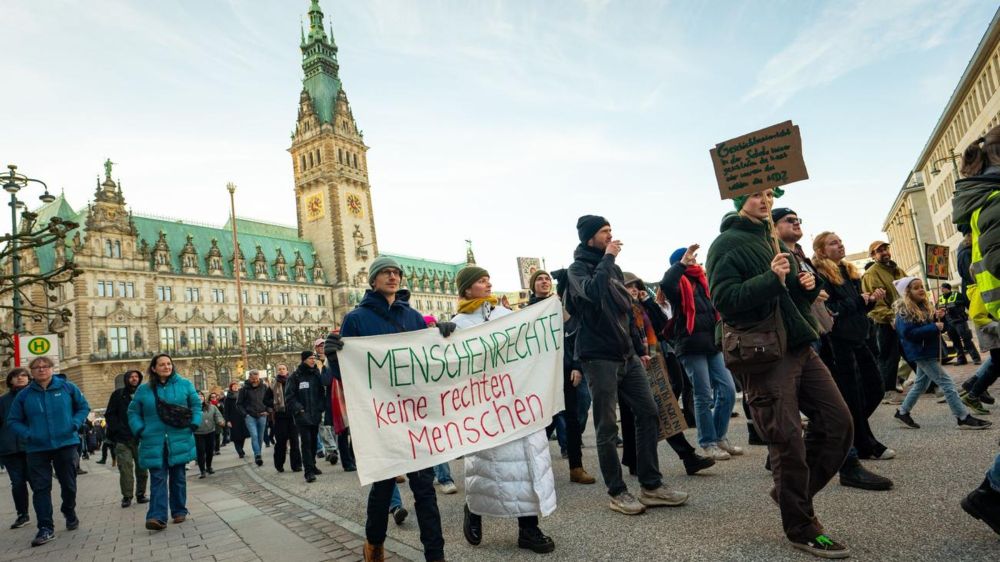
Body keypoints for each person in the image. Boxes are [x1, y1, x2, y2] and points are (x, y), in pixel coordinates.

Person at [706, 190, 854, 558]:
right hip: (764, 353)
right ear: (739, 200)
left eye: (769, 194)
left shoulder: (772, 240)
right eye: (756, 195)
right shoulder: (725, 243)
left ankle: (790, 496)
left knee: (839, 424)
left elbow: (790, 297)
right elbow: (724, 299)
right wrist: (772, 279)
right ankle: (801, 526)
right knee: (786, 441)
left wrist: (806, 288)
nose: (765, 200)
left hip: (800, 344)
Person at [325, 254, 446, 562]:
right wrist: (335, 358)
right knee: (382, 488)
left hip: (414, 413)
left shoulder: (413, 317)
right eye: (386, 273)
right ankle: (374, 543)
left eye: (396, 273)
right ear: (373, 280)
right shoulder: (356, 319)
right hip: (382, 417)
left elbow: (430, 362)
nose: (393, 277)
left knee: (424, 489)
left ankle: (436, 555)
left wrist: (444, 338)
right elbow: (348, 375)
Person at [567, 215, 688, 516]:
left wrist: (637, 347)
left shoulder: (615, 269)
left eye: (611, 230)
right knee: (607, 426)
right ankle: (617, 491)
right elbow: (593, 295)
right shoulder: (577, 269)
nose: (610, 236)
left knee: (649, 413)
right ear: (589, 237)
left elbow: (625, 310)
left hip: (627, 356)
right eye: (604, 232)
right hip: (598, 357)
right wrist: (607, 259)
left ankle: (651, 485)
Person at [448, 266, 557, 553]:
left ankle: (529, 528)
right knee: (488, 466)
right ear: (467, 288)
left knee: (527, 465)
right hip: (485, 404)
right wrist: (442, 338)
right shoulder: (458, 323)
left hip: (518, 399)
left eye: (488, 280)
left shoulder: (505, 315)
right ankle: (474, 508)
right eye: (481, 281)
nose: (488, 284)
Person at [811, 232, 895, 491]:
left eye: (840, 240)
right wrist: (860, 300)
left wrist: (869, 301)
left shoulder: (849, 271)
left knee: (875, 387)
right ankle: (863, 442)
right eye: (833, 243)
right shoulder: (821, 275)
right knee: (852, 396)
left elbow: (855, 306)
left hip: (859, 337)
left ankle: (852, 435)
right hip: (839, 342)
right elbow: (831, 310)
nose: (840, 244)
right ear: (822, 250)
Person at [622, 271, 715, 476]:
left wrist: (649, 303)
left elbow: (663, 325)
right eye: (629, 286)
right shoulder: (622, 310)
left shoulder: (642, 308)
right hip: (633, 364)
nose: (635, 289)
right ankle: (687, 457)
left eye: (637, 285)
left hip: (654, 360)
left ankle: (636, 460)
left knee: (656, 408)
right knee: (657, 409)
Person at [661, 245, 740, 460]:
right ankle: (708, 442)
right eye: (689, 257)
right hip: (690, 345)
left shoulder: (703, 282)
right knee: (703, 395)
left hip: (712, 344)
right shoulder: (677, 285)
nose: (694, 259)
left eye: (694, 256)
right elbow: (666, 283)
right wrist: (681, 264)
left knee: (728, 390)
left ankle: (719, 436)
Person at [6, 356, 89, 547]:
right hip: (37, 448)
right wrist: (29, 434)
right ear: (32, 372)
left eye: (45, 366)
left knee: (68, 484)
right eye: (37, 368)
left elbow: (83, 407)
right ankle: (45, 527)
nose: (41, 370)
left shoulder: (67, 388)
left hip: (66, 444)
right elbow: (13, 421)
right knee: (41, 488)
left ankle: (69, 510)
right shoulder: (25, 395)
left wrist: (75, 424)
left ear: (52, 369)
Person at [891, 277, 992, 430]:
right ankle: (962, 416)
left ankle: (903, 412)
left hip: (927, 351)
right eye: (916, 287)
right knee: (947, 383)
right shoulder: (904, 311)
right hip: (921, 353)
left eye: (921, 286)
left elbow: (938, 329)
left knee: (920, 384)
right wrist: (933, 327)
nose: (921, 290)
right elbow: (908, 334)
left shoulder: (923, 307)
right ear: (907, 293)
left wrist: (939, 319)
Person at [528, 270, 597, 484]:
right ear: (532, 286)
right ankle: (532, 465)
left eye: (547, 278)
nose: (544, 281)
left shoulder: (558, 306)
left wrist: (576, 365)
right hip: (540, 374)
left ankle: (576, 467)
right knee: (542, 422)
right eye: (539, 279)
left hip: (564, 370)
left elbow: (573, 333)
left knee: (573, 420)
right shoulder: (526, 312)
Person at [128, 353, 201, 531]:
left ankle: (179, 510)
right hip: (154, 440)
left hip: (179, 437)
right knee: (158, 478)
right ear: (154, 368)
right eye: (162, 364)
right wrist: (140, 429)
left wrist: (194, 424)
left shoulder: (185, 384)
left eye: (169, 364)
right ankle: (157, 517)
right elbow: (133, 412)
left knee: (178, 477)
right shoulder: (144, 390)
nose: (166, 367)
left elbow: (196, 405)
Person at [861, 240, 908, 403]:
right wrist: (891, 317)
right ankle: (886, 390)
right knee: (888, 355)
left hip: (903, 318)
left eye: (885, 249)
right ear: (873, 256)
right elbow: (875, 302)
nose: (884, 252)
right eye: (879, 251)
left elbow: (908, 290)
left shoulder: (898, 270)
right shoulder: (871, 274)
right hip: (884, 322)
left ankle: (930, 384)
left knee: (910, 351)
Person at [104, 369, 148, 508]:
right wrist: (117, 430)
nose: (134, 379)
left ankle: (141, 494)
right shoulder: (118, 394)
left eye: (136, 377)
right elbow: (110, 414)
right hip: (123, 439)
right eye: (131, 377)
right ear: (126, 379)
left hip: (141, 438)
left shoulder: (144, 393)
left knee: (142, 468)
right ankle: (127, 496)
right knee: (125, 469)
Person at [285, 352, 325, 483]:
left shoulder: (316, 374)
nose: (313, 360)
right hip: (302, 416)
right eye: (310, 358)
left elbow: (321, 392)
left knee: (314, 442)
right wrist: (299, 409)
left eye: (314, 358)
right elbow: (290, 397)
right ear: (304, 360)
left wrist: (320, 407)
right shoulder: (295, 376)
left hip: (315, 414)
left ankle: (312, 464)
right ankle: (308, 471)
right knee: (306, 442)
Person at [0, 368, 31, 530]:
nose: (20, 378)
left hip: (32, 446)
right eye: (16, 376)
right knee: (17, 483)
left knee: (37, 482)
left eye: (24, 375)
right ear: (10, 380)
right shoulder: (3, 401)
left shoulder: (35, 395)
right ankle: (22, 514)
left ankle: (44, 513)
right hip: (10, 448)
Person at [266, 364, 302, 473]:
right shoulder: (273, 384)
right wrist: (274, 404)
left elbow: (299, 396)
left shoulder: (293, 382)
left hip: (292, 416)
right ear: (277, 371)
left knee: (294, 441)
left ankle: (296, 465)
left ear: (287, 371)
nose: (281, 371)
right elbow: (265, 400)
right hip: (280, 417)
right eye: (279, 369)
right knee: (281, 442)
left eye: (283, 369)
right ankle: (279, 464)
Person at [938, 282, 981, 366]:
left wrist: (950, 306)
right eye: (940, 288)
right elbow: (938, 308)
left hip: (959, 321)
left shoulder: (957, 294)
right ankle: (961, 359)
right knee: (955, 342)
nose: (941, 289)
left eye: (942, 287)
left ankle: (976, 358)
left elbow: (963, 302)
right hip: (949, 323)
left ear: (947, 288)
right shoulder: (940, 298)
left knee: (967, 340)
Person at [238, 370, 270, 467]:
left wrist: (268, 410)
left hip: (262, 415)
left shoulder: (264, 387)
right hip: (250, 416)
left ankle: (258, 454)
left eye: (256, 378)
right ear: (249, 378)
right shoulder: (244, 389)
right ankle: (257, 455)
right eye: (253, 378)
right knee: (254, 435)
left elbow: (270, 400)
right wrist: (245, 414)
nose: (255, 380)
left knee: (260, 437)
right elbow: (239, 404)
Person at [194, 391, 224, 478]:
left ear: (204, 397)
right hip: (198, 433)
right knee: (201, 451)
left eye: (201, 396)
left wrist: (220, 421)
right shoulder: (192, 408)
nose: (200, 398)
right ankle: (202, 470)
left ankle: (209, 467)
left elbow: (217, 415)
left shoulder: (211, 407)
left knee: (210, 451)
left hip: (210, 431)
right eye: (198, 396)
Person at [222, 381, 247, 458]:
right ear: (231, 388)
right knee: (236, 437)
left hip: (242, 418)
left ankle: (241, 448)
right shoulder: (228, 398)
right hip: (233, 419)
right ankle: (240, 451)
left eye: (237, 385)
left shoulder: (242, 395)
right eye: (234, 386)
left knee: (243, 436)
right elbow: (226, 411)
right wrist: (228, 420)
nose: (236, 387)